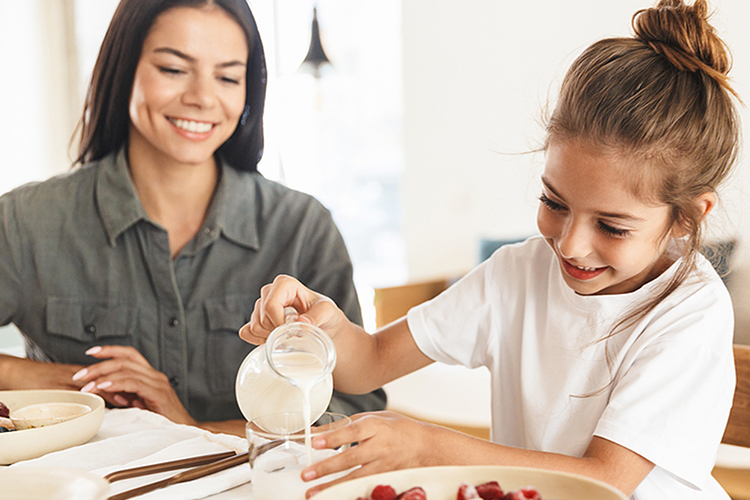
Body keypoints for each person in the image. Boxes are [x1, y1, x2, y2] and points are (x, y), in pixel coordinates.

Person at [241, 0, 740, 497]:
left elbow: (606, 481)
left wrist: (428, 447)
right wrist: (327, 331)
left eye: (611, 226)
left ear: (688, 216)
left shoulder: (691, 313)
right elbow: (371, 360)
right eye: (554, 202)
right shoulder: (516, 274)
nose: (569, 243)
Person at [0, 0, 385, 436]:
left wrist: (191, 428)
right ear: (124, 68)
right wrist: (55, 380)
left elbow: (352, 412)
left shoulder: (301, 229)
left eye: (227, 77)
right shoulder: (26, 221)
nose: (202, 97)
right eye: (173, 69)